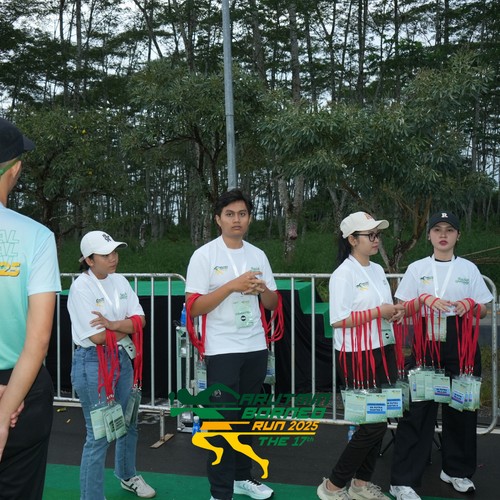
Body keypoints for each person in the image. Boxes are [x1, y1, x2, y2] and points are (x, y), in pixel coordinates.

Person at [389, 211, 493, 500]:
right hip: (427, 342)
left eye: (449, 229)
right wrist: (423, 300)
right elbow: (401, 309)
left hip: (462, 341)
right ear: (429, 236)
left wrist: (470, 304)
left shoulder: (469, 269)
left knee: (462, 408)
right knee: (418, 410)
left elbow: (483, 309)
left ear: (458, 235)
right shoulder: (417, 268)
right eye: (437, 229)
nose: (443, 234)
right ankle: (402, 481)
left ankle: (456, 470)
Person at [185, 188, 279, 500]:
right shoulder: (204, 255)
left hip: (255, 346)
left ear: (249, 218)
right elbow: (194, 307)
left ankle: (242, 477)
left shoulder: (258, 255)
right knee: (222, 422)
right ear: (218, 219)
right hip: (221, 349)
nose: (236, 220)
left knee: (247, 418)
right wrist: (231, 286)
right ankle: (220, 491)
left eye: (242, 214)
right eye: (229, 214)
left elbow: (272, 303)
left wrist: (262, 290)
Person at [317, 211, 404, 500]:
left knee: (380, 420)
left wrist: (393, 313)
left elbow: (382, 310)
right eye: (370, 235)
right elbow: (338, 319)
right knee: (372, 425)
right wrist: (380, 311)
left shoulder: (377, 270)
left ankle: (361, 484)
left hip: (383, 348)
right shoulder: (343, 274)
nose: (376, 240)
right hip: (357, 355)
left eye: (378, 234)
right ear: (352, 240)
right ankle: (333, 485)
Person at [67, 231, 156, 499]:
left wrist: (112, 325)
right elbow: (96, 337)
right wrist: (126, 327)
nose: (113, 258)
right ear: (89, 260)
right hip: (92, 363)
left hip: (122, 359)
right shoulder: (81, 287)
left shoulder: (120, 281)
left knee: (128, 422)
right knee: (99, 435)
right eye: (106, 254)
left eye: (115, 252)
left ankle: (127, 475)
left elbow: (141, 321)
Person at [0, 117, 61, 499]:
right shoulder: (37, 237)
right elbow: (37, 342)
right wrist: (6, 409)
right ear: (15, 169)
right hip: (23, 388)